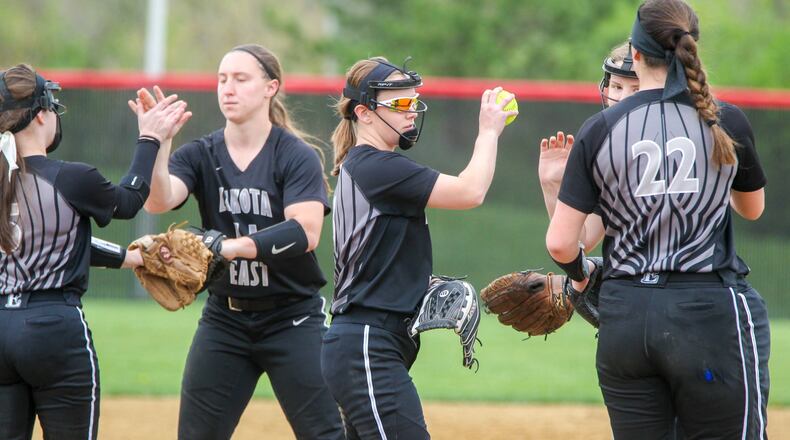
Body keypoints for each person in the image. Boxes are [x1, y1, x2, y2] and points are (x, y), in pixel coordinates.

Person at [546, 1, 769, 438]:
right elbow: (752, 209)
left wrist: (580, 276)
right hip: (708, 313)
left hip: (627, 320)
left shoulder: (600, 128)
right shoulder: (725, 120)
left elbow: (561, 243)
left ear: (637, 55)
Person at [138, 44, 343, 440]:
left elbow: (305, 231)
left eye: (240, 79)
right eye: (222, 79)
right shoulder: (201, 153)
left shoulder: (294, 155)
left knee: (326, 434)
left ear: (271, 87)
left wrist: (230, 247)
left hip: (293, 319)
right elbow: (159, 199)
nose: (227, 89)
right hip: (224, 321)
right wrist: (159, 142)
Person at [321, 56, 516, 439]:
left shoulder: (364, 165)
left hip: (369, 342)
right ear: (365, 113)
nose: (413, 112)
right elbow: (470, 191)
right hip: (366, 346)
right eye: (402, 104)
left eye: (414, 102)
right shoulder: (376, 167)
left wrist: (412, 284)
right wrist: (489, 132)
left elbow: (376, 256)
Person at [0, 63, 186, 440]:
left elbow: (57, 238)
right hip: (54, 327)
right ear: (40, 115)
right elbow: (129, 201)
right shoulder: (70, 177)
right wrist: (149, 138)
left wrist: (130, 257)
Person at [539, 40, 639, 250]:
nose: (622, 98)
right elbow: (583, 240)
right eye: (617, 86)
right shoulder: (606, 150)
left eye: (636, 89)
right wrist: (553, 185)